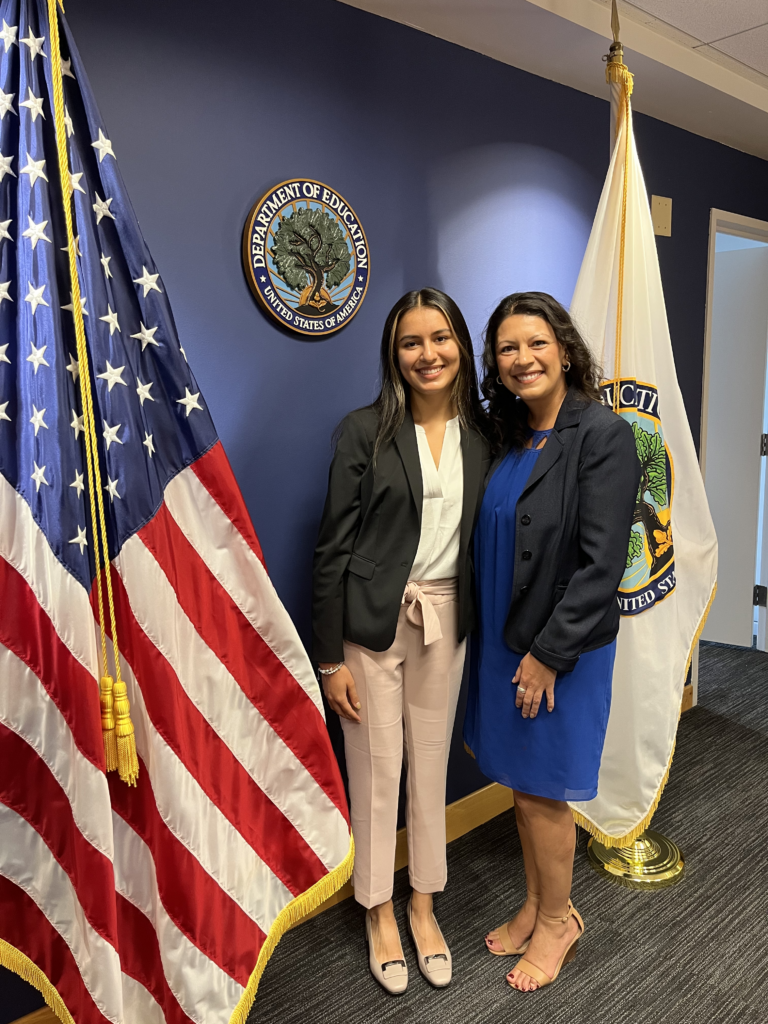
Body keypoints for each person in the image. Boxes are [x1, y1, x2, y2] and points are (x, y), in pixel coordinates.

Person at [313, 288, 489, 994]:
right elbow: (331, 549)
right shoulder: (364, 431)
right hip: (373, 624)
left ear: (460, 347)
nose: (428, 353)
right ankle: (379, 909)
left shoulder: (486, 432)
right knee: (378, 765)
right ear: (394, 353)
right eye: (412, 342)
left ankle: (424, 903)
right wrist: (330, 660)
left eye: (440, 337)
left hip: (447, 621)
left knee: (432, 763)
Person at [464, 292, 639, 992]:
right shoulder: (508, 436)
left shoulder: (601, 433)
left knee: (544, 793)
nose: (522, 358)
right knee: (522, 783)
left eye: (535, 343)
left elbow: (603, 566)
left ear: (563, 350)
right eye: (508, 348)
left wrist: (547, 654)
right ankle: (536, 903)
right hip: (507, 639)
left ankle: (561, 918)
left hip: (558, 648)